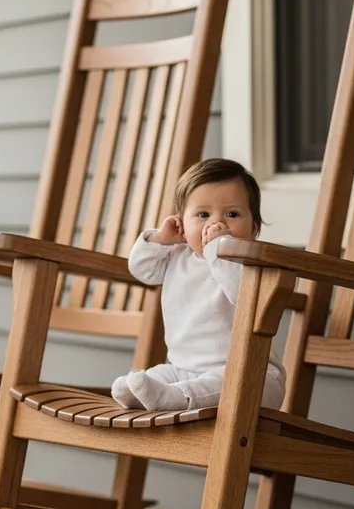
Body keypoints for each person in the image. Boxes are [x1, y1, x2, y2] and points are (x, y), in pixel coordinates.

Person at [112, 158, 286, 412]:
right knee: (158, 376)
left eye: (232, 214)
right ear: (182, 224)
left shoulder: (248, 264)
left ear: (253, 229)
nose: (217, 224)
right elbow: (142, 269)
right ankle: (146, 393)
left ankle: (174, 398)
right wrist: (159, 238)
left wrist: (218, 249)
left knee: (223, 382)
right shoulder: (176, 256)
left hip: (249, 374)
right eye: (203, 214)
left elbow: (244, 295)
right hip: (183, 369)